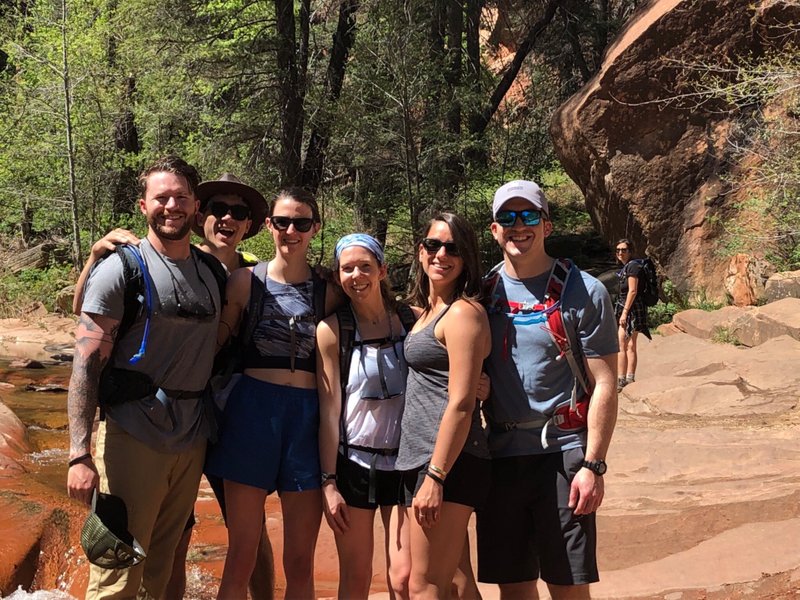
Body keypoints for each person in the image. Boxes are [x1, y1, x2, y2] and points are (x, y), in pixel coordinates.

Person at [71, 173, 276, 600]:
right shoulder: (134, 264)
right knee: (131, 559)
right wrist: (79, 453)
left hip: (210, 427)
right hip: (139, 427)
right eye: (219, 209)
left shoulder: (237, 275)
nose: (227, 218)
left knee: (193, 552)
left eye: (238, 212)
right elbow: (87, 337)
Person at [66, 156, 221, 599]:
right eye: (161, 197)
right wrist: (79, 454)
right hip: (130, 435)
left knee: (162, 567)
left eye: (181, 198)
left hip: (190, 440)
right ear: (142, 205)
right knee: (116, 571)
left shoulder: (211, 272)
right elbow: (85, 364)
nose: (171, 206)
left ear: (195, 206)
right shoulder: (121, 268)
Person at [476, 180, 619, 600]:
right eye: (508, 217)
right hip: (501, 456)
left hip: (564, 456)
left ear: (547, 225)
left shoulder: (584, 291)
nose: (519, 227)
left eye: (529, 216)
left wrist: (594, 465)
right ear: (494, 229)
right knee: (514, 589)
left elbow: (605, 384)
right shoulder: (482, 294)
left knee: (567, 587)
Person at [205, 186, 340, 600]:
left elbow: (378, 323)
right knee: (241, 552)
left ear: (315, 228)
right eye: (282, 222)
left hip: (307, 418)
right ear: (268, 226)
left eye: (301, 223)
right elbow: (213, 343)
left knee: (299, 561)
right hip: (252, 413)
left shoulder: (330, 290)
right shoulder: (244, 282)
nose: (291, 231)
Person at [395, 212, 492, 599]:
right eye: (433, 245)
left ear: (466, 257)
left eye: (453, 248)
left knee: (424, 586)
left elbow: (462, 403)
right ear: (421, 251)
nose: (441, 255)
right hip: (425, 455)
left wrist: (435, 476)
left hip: (448, 460)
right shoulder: (428, 312)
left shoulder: (463, 313)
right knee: (457, 580)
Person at [316, 233, 417, 599]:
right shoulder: (331, 331)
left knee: (405, 579)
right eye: (347, 268)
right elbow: (329, 409)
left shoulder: (412, 321)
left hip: (405, 465)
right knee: (356, 578)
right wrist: (328, 481)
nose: (356, 275)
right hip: (354, 465)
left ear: (382, 270)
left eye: (365, 266)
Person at [614, 238, 651, 392]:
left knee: (621, 343)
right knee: (630, 344)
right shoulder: (629, 267)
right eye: (618, 250)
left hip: (631, 309)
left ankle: (621, 379)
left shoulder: (633, 267)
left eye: (624, 250)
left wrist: (624, 313)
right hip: (633, 308)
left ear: (630, 251)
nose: (620, 253)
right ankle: (630, 377)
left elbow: (633, 290)